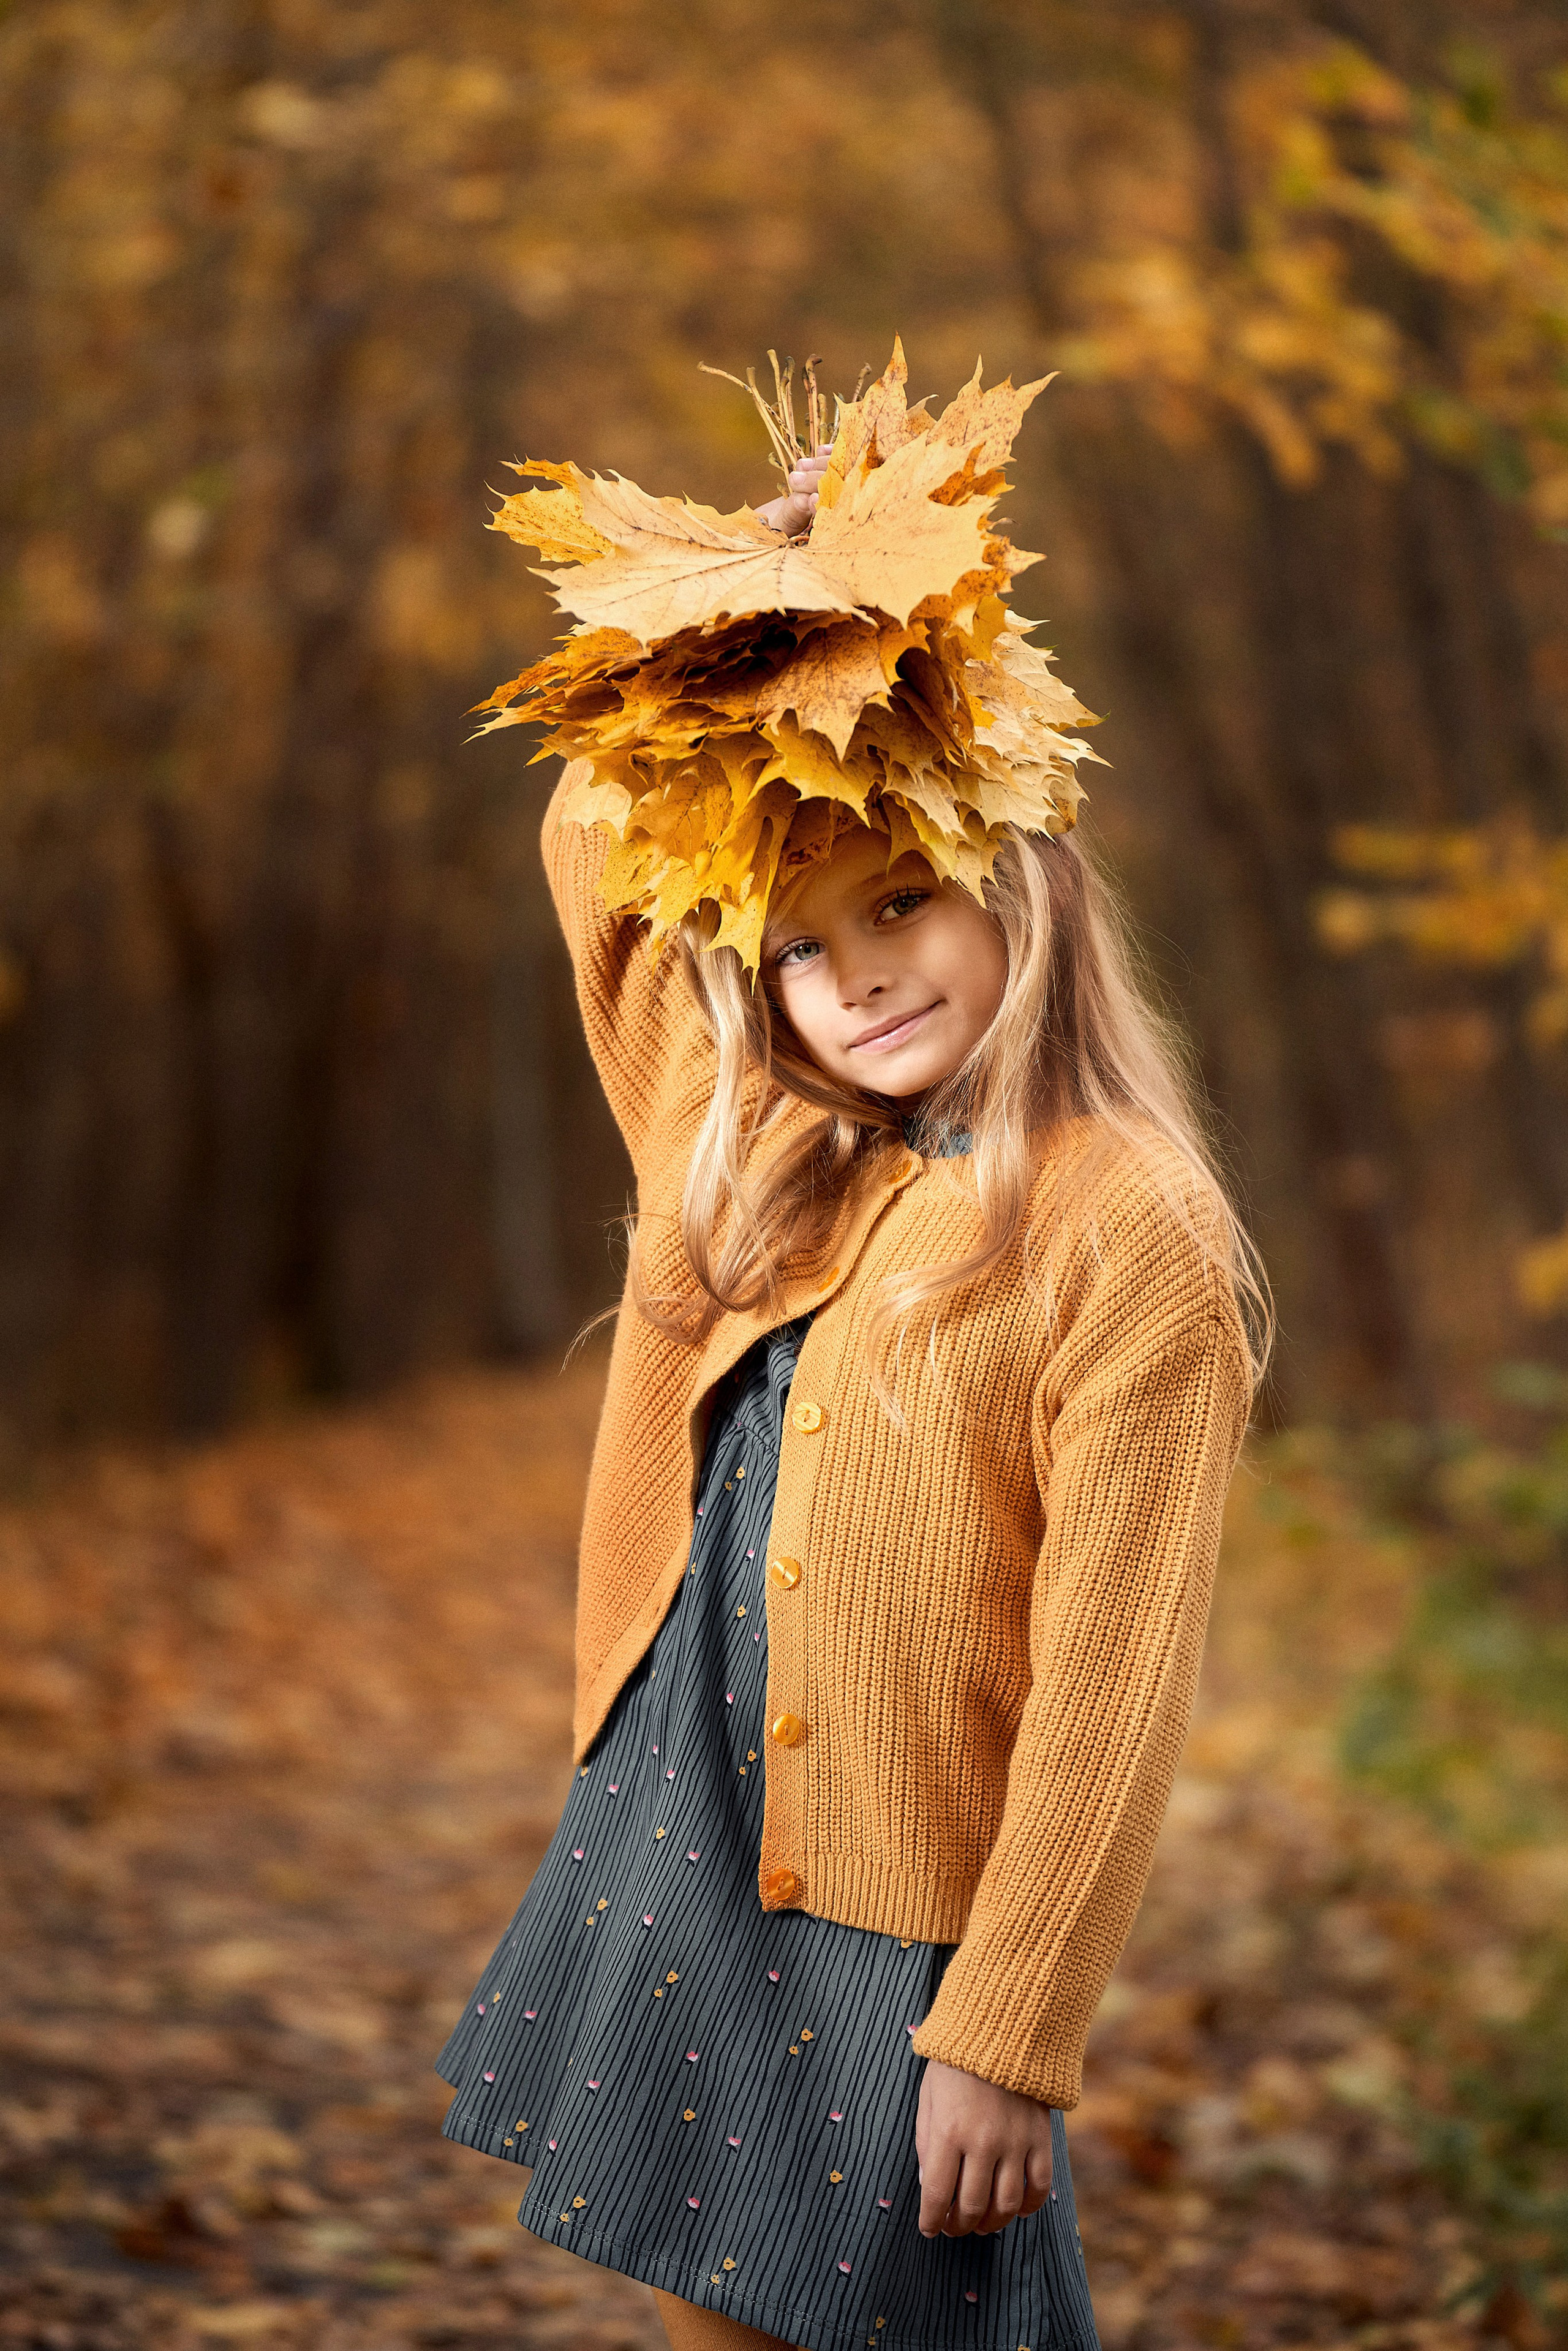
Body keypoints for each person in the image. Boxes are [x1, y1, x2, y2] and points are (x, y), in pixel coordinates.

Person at [435, 445, 1269, 2351]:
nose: (852, 980)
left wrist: (1011, 2023)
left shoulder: (1123, 1222)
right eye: (800, 948)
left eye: (897, 904)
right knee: (717, 2325)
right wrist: (750, 609)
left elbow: (1115, 1673)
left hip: (904, 1916)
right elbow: (605, 851)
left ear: (1014, 877)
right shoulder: (750, 1145)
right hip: (693, 1838)